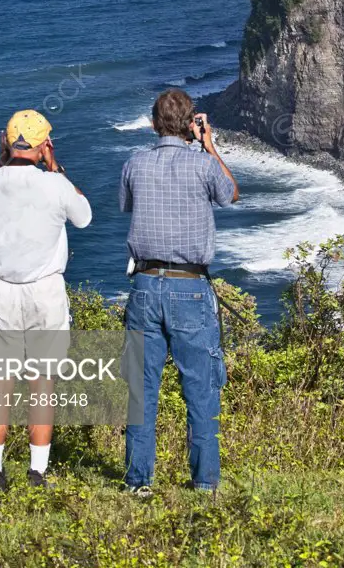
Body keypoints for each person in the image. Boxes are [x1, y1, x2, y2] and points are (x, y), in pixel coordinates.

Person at [0, 109, 92, 492]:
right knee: (41, 385)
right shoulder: (55, 185)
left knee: (0, 383)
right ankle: (36, 473)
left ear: (6, 139)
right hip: (45, 291)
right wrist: (56, 168)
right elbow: (83, 218)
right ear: (44, 145)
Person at [119, 89, 240, 496]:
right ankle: (204, 482)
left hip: (146, 284)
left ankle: (139, 482)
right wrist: (209, 146)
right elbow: (231, 194)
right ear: (191, 123)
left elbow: (126, 204)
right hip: (190, 286)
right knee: (200, 388)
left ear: (153, 123)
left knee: (141, 388)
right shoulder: (203, 165)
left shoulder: (134, 163)